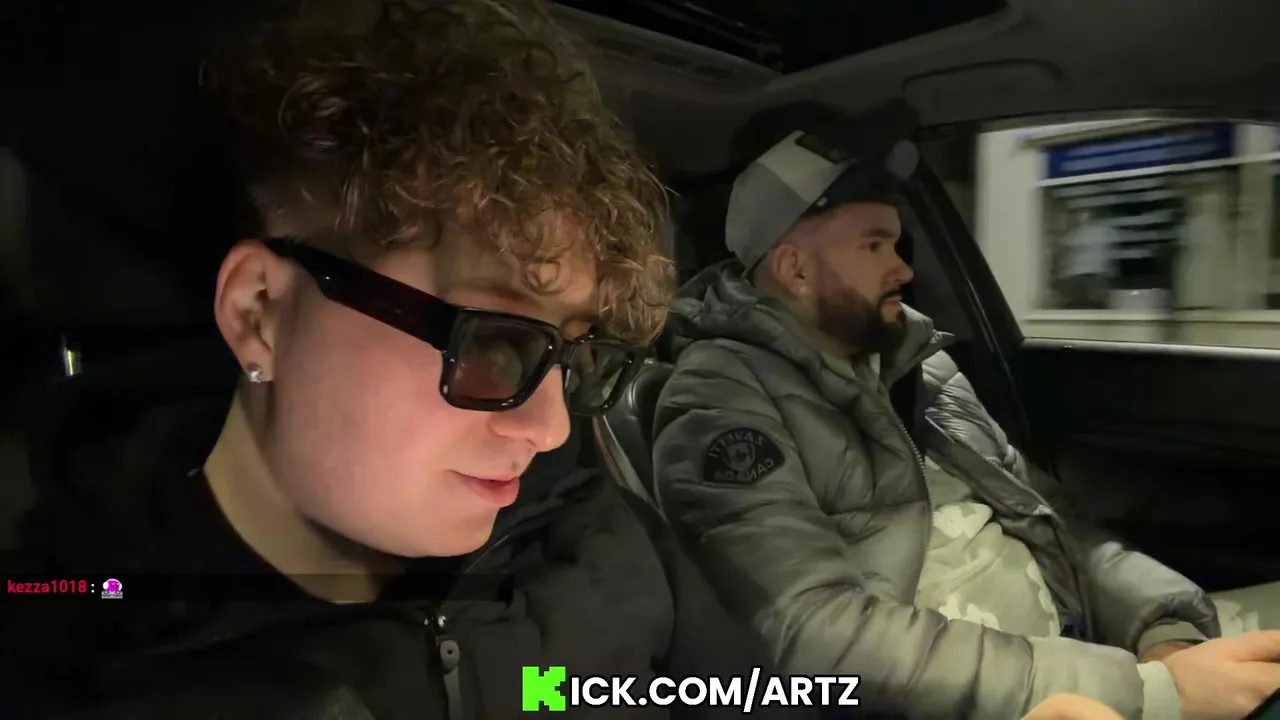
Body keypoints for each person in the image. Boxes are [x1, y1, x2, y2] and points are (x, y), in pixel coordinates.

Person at [0, 1, 816, 717]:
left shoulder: (589, 527)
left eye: (571, 356)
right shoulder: (88, 658)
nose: (550, 429)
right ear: (260, 315)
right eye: (494, 340)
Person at [650, 131, 1280, 719]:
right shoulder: (719, 400)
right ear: (796, 270)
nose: (902, 269)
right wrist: (1147, 692)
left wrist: (1160, 626)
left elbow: (1053, 521)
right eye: (873, 246)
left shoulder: (918, 364)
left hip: (1084, 660)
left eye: (895, 244)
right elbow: (813, 636)